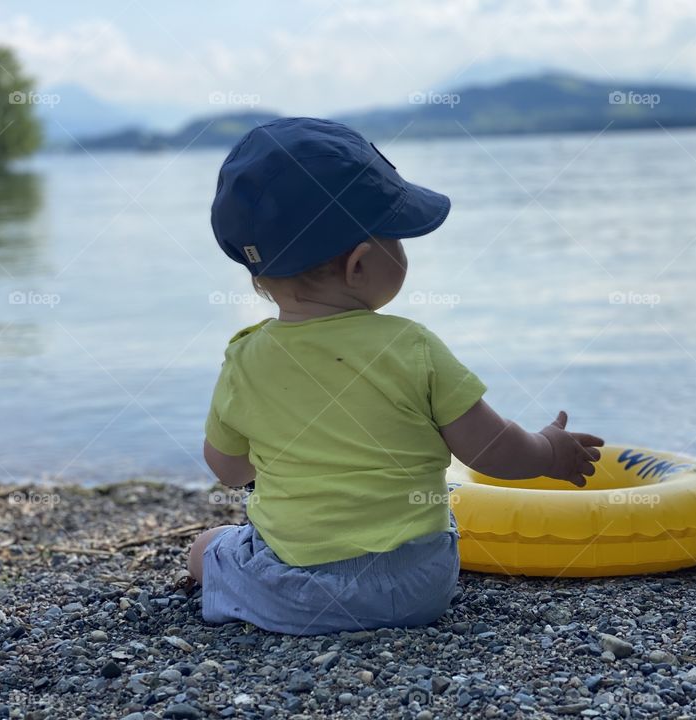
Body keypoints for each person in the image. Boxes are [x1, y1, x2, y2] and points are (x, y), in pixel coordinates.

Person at [189, 117, 604, 635]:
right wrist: (550, 452)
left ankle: (248, 594)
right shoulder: (414, 347)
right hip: (419, 586)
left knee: (207, 548)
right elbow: (492, 451)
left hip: (297, 594)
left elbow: (227, 469)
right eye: (399, 238)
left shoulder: (245, 360)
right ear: (359, 264)